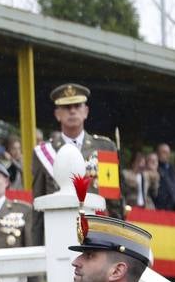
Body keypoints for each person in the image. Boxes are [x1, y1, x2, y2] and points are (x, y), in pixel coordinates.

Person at [31, 84, 122, 239]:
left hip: (96, 230)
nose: (72, 111)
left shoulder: (105, 148)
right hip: (58, 230)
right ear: (57, 114)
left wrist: (117, 240)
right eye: (66, 107)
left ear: (85, 112)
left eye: (77, 106)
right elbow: (38, 204)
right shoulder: (44, 152)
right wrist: (38, 246)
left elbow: (113, 201)